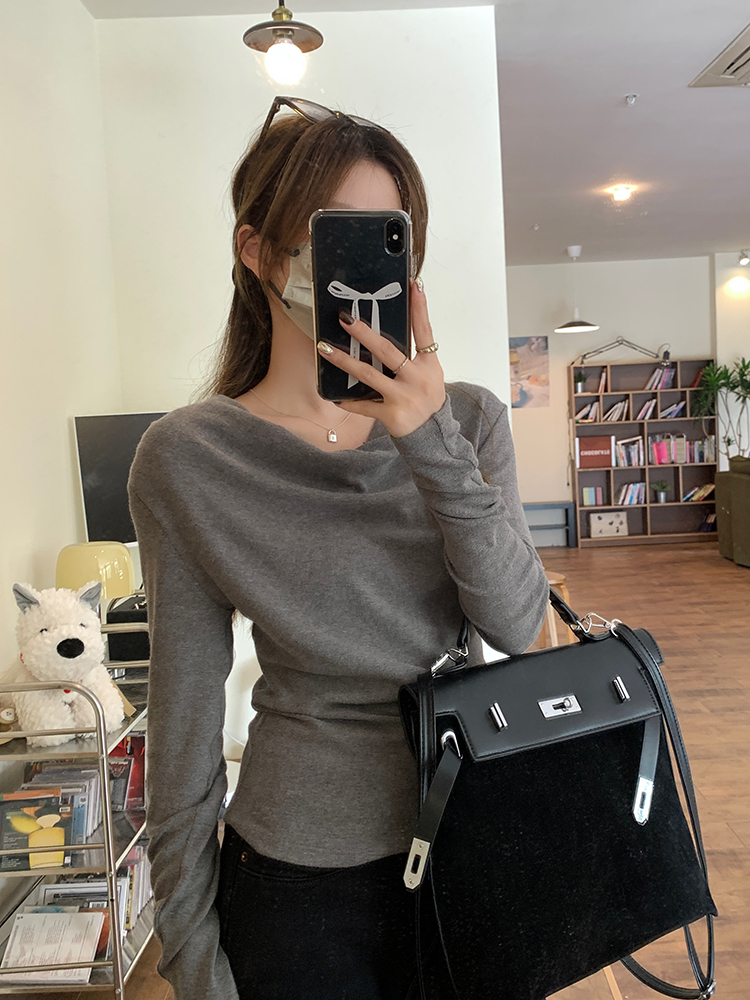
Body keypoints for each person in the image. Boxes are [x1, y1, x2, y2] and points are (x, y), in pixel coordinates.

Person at [127, 96, 550, 1000]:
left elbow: (520, 626)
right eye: (336, 236)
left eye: (389, 241)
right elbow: (184, 725)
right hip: (294, 878)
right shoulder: (188, 460)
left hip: (467, 841)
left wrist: (428, 439)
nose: (363, 273)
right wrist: (192, 960)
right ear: (257, 253)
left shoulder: (469, 421)